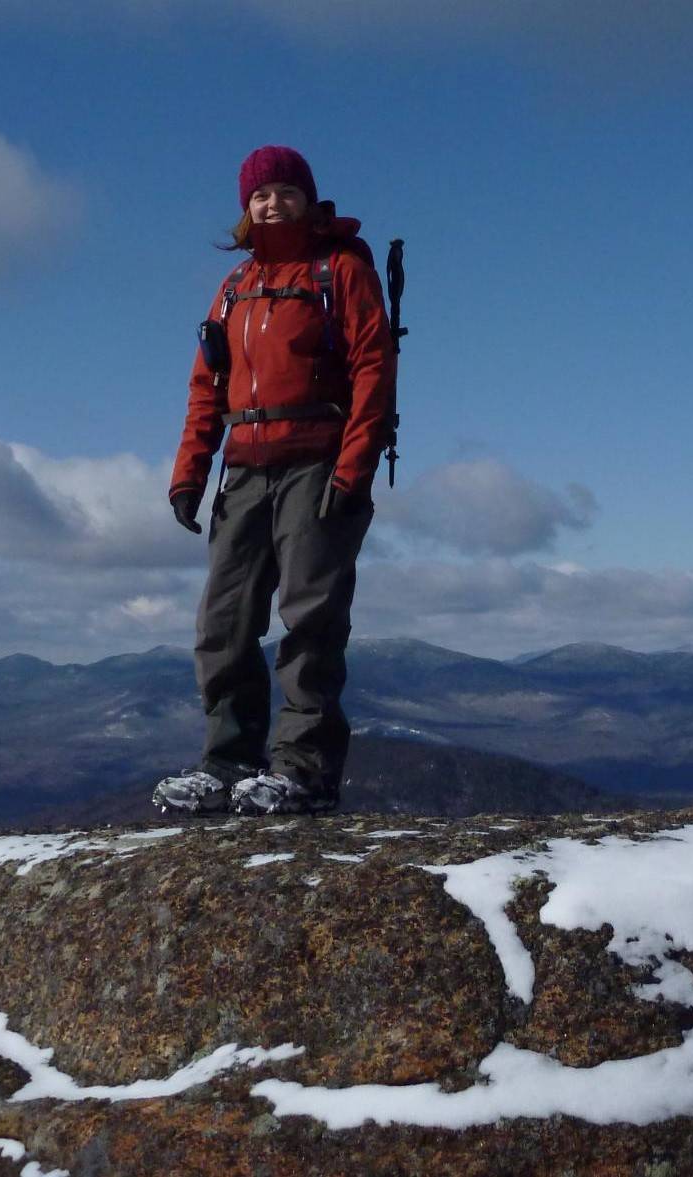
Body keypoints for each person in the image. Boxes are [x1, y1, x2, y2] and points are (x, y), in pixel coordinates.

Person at [151, 145, 395, 817]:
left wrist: (353, 468)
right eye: (260, 194)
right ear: (245, 207)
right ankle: (228, 759)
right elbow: (208, 387)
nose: (272, 202)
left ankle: (303, 768)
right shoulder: (234, 289)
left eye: (285, 190)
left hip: (317, 462)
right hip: (245, 466)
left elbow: (374, 368)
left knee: (310, 617)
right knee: (223, 620)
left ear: (307, 198)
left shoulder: (339, 271)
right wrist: (188, 473)